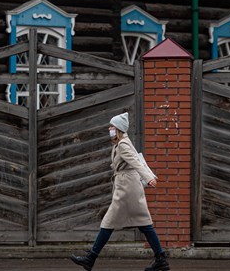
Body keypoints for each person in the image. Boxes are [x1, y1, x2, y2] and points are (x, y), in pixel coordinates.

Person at [70, 112, 170, 271]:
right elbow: (131, 162)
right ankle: (161, 260)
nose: (109, 128)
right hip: (128, 186)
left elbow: (136, 162)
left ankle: (90, 258)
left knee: (109, 222)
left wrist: (149, 177)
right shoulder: (121, 144)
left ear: (118, 129)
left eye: (112, 127)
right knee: (144, 224)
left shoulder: (123, 144)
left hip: (127, 188)